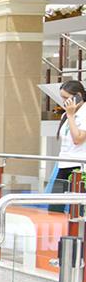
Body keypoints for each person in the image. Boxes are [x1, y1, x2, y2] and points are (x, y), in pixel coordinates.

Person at [50, 80, 86, 214]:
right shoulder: (65, 115)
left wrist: (71, 115)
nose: (64, 101)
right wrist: (69, 114)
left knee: (77, 210)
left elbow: (78, 139)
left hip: (79, 167)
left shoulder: (79, 113)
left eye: (66, 98)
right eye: (62, 98)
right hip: (63, 165)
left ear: (78, 96)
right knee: (54, 208)